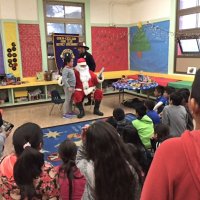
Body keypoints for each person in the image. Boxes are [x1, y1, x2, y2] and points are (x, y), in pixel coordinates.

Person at [141, 69, 200, 200]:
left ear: (193, 104)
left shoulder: (168, 150)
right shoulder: (183, 110)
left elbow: (165, 124)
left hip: (173, 138)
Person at [76, 121, 142, 200]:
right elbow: (136, 194)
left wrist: (84, 142)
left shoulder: (88, 168)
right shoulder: (130, 167)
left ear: (92, 147)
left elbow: (79, 159)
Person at [0, 122, 59, 199]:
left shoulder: (3, 162)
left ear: (14, 146)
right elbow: (54, 196)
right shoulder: (49, 172)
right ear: (40, 145)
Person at [77, 42, 96, 106]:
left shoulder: (89, 55)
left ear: (83, 48)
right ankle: (80, 101)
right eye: (78, 48)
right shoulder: (79, 55)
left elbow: (93, 65)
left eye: (79, 48)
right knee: (82, 88)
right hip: (81, 75)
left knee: (88, 88)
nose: (78, 50)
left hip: (88, 75)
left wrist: (90, 73)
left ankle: (90, 101)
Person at [62, 54, 76, 118]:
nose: (73, 63)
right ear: (68, 62)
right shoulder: (65, 69)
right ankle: (65, 114)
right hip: (69, 87)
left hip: (72, 86)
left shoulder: (70, 68)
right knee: (67, 100)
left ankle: (70, 111)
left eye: (73, 61)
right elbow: (64, 79)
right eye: (71, 61)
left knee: (71, 100)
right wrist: (68, 87)